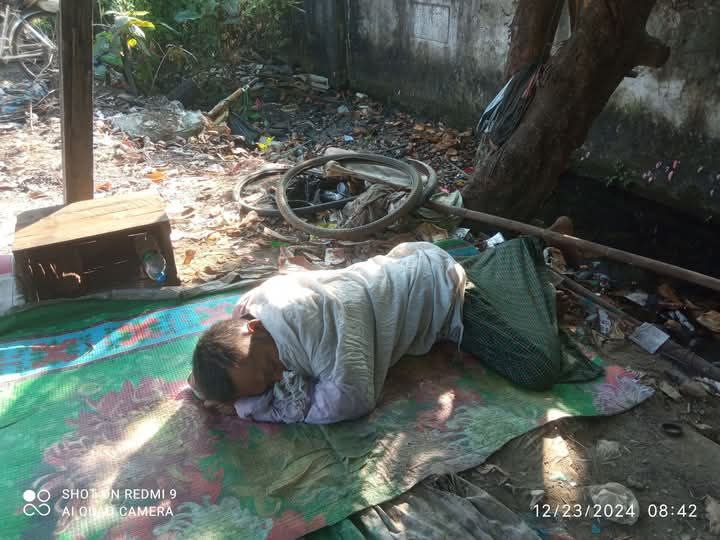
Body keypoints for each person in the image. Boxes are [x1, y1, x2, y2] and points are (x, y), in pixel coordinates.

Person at [189, 218, 589, 424]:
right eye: (267, 383)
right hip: (406, 272)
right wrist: (234, 392)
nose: (279, 377)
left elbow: (352, 399)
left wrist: (250, 409)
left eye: (270, 369)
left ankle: (531, 246)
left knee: (536, 367)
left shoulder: (319, 334)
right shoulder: (250, 310)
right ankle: (499, 264)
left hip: (445, 297)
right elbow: (207, 376)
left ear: (254, 328)